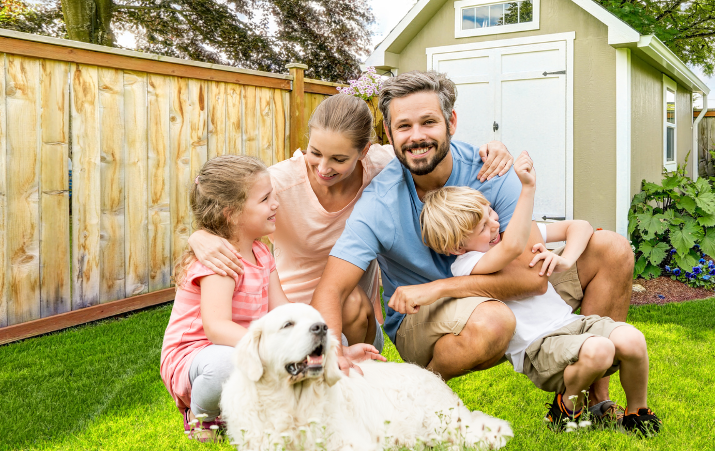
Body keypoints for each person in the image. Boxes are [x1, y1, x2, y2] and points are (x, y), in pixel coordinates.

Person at [311, 70, 635, 423]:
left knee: (612, 248)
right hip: (425, 319)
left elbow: (532, 281)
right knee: (493, 319)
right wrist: (332, 350)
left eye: (428, 122)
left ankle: (591, 399)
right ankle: (422, 398)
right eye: (403, 126)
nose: (416, 136)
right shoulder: (379, 202)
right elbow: (331, 289)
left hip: (484, 291)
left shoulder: (492, 172)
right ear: (388, 133)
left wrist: (437, 288)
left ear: (451, 122)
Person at [186, 94, 512, 361]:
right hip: (288, 312)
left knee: (353, 300)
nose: (323, 168)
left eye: (339, 159)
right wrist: (198, 235)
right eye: (315, 153)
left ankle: (349, 377)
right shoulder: (279, 184)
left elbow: (426, 147)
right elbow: (222, 203)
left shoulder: (381, 168)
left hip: (354, 318)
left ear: (363, 152)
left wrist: (494, 148)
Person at [418, 152, 661, 435]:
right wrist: (527, 189)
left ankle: (637, 414)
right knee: (600, 349)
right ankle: (567, 409)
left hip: (571, 323)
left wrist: (566, 259)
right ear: (458, 247)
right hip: (538, 347)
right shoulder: (467, 265)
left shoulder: (505, 236)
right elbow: (510, 247)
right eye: (483, 227)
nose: (495, 224)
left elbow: (579, 227)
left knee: (633, 339)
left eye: (491, 213)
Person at [159, 155, 386, 442]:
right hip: (198, 356)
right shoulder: (220, 262)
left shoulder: (261, 253)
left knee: (325, 340)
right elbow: (216, 328)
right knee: (228, 364)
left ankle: (257, 405)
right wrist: (268, 350)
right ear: (233, 213)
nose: (275, 204)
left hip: (240, 345)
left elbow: (284, 310)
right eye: (266, 199)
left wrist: (331, 351)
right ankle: (203, 418)